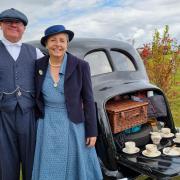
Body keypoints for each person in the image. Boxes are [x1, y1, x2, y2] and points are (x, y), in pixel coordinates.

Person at [32, 25, 103, 180]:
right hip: (47, 122)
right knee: (49, 161)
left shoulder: (81, 66)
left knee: (74, 161)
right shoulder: (38, 65)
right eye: (53, 40)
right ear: (46, 44)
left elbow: (89, 100)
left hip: (73, 122)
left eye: (62, 40)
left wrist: (92, 131)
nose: (58, 44)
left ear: (67, 44)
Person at [0, 8, 43, 180]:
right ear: (1, 24)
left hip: (29, 113)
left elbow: (51, 75)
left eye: (18, 22)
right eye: (8, 21)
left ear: (24, 28)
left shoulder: (35, 52)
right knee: (5, 163)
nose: (13, 25)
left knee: (32, 160)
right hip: (3, 115)